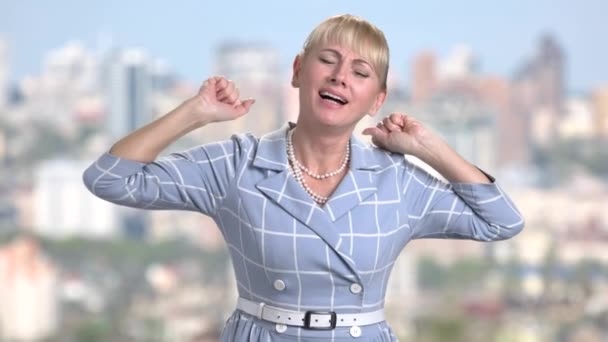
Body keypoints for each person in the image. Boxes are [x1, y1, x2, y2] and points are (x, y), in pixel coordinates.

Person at [83, 14, 524, 341]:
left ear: (377, 99)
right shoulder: (238, 164)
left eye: (360, 72)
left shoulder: (398, 180)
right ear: (298, 71)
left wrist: (427, 147)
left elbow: (501, 221)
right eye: (327, 61)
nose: (339, 77)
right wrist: (195, 112)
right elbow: (109, 178)